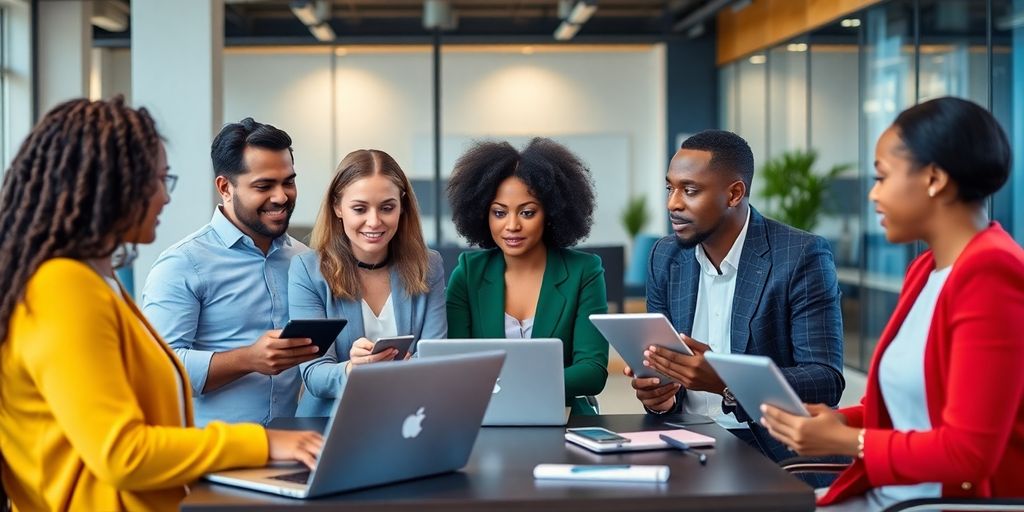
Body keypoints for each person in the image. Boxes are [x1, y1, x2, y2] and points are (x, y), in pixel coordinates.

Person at [0, 97, 322, 512]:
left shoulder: (95, 279)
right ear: (113, 187)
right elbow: (123, 453)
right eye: (157, 180)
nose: (165, 198)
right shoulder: (64, 286)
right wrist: (262, 442)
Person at [760, 97, 1024, 510]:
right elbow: (906, 408)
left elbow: (969, 454)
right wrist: (838, 420)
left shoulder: (991, 273)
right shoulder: (926, 270)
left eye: (882, 177)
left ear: (934, 178)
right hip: (890, 497)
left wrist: (844, 441)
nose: (873, 194)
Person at [627, 129, 845, 461]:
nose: (673, 203)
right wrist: (660, 392)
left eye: (690, 190)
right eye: (670, 188)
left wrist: (725, 381)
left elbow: (825, 380)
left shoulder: (801, 255)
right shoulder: (665, 256)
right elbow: (665, 368)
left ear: (734, 193)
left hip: (771, 445)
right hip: (683, 438)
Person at [142, 118, 316, 427]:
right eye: (264, 186)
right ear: (225, 187)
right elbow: (156, 371)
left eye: (288, 182)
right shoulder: (182, 264)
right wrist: (248, 358)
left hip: (293, 453)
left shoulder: (306, 261)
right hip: (213, 463)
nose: (281, 196)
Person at [446, 138, 608, 415]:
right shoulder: (468, 273)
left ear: (550, 213)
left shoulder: (585, 271)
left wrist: (512, 385)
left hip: (564, 416)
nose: (512, 225)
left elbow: (592, 371)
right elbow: (454, 364)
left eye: (527, 212)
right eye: (499, 212)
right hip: (485, 418)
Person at [290, 149, 446, 416]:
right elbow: (314, 374)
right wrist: (352, 369)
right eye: (359, 209)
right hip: (330, 425)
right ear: (337, 207)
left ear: (402, 206)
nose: (374, 222)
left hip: (409, 419)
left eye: (387, 207)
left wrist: (409, 371)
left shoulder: (428, 266)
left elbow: (435, 358)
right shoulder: (308, 271)